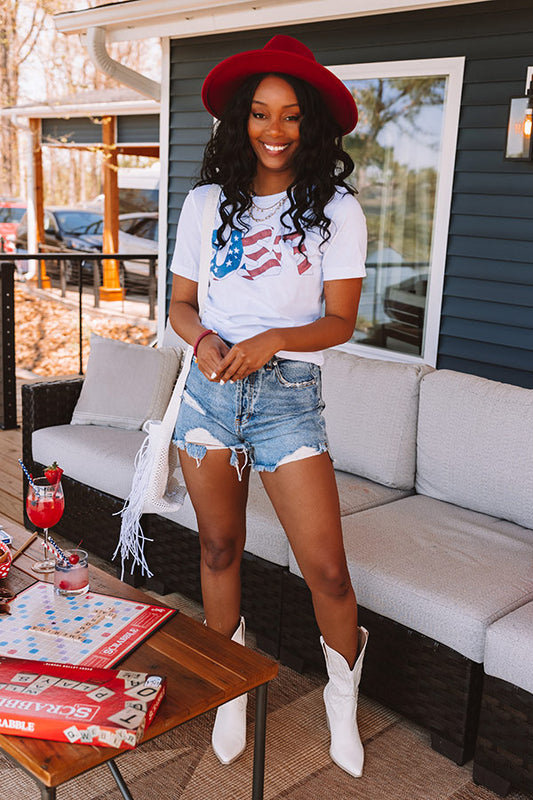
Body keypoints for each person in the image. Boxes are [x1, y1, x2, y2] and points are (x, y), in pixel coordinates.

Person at [169, 34, 368, 778]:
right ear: (240, 122)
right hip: (209, 396)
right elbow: (182, 306)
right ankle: (229, 687)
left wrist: (276, 338)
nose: (274, 130)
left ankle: (340, 701)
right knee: (218, 549)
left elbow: (340, 323)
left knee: (328, 572)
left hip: (288, 399)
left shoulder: (337, 210)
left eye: (289, 115)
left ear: (308, 122)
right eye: (259, 114)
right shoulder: (203, 202)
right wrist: (205, 342)